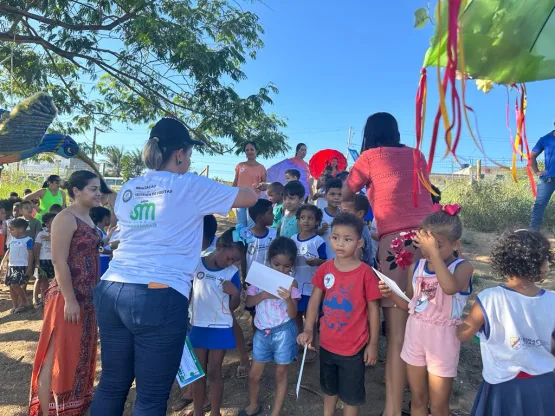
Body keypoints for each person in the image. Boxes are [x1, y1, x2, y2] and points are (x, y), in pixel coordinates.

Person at [90, 117, 257, 416]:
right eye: (190, 154)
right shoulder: (188, 185)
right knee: (151, 396)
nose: (190, 160)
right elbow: (249, 197)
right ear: (179, 153)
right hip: (157, 296)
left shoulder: (129, 187)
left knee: (112, 384)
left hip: (111, 288)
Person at [342, 112, 433, 416]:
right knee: (426, 325)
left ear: (370, 134)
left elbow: (346, 192)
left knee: (396, 334)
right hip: (429, 242)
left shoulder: (368, 157)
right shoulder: (417, 155)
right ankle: (421, 402)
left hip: (395, 246)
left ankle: (392, 409)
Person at [379, 207, 474, 416]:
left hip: (442, 343)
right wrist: (393, 295)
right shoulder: (417, 267)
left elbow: (449, 288)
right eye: (424, 246)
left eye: (437, 246)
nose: (428, 252)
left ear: (456, 245)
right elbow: (412, 305)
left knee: (439, 406)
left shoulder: (463, 267)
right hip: (415, 337)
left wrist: (434, 256)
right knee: (418, 399)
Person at [28, 171, 103, 416]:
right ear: (76, 191)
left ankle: (74, 406)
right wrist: (70, 299)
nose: (98, 193)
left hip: (88, 298)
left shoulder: (88, 217)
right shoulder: (65, 218)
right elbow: (59, 262)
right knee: (56, 354)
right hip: (67, 297)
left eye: (99, 188)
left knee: (78, 356)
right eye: (93, 188)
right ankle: (49, 412)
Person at [457, 230, 555, 415]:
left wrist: (453, 322)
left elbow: (463, 334)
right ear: (539, 264)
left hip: (503, 387)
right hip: (544, 387)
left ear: (503, 261)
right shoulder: (553, 301)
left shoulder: (489, 298)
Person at [298, 213, 381, 416]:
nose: (340, 244)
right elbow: (315, 302)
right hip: (327, 345)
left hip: (354, 349)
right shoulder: (324, 269)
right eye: (335, 238)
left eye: (348, 239)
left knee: (351, 397)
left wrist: (372, 344)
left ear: (360, 242)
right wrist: (309, 328)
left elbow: (373, 310)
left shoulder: (366, 273)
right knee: (328, 389)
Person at [188, 227, 244, 416]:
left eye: (235, 261)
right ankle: (197, 411)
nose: (231, 263)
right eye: (229, 258)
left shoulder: (232, 273)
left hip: (220, 326)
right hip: (198, 325)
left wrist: (235, 293)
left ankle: (215, 412)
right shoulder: (197, 264)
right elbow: (188, 291)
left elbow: (233, 305)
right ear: (219, 246)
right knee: (198, 372)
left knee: (214, 371)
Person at [241, 237, 300, 416]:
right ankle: (253, 405)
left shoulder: (291, 283)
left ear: (292, 266)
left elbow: (293, 314)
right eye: (276, 264)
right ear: (269, 260)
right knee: (254, 375)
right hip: (262, 332)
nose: (281, 270)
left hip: (284, 332)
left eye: (286, 266)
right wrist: (263, 295)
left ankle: (275, 412)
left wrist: (288, 298)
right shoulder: (259, 278)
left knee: (281, 373)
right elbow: (249, 302)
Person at [292, 204, 327, 362]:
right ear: (298, 220)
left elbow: (324, 261)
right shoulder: (293, 239)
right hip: (296, 285)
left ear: (317, 221)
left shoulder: (318, 241)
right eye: (303, 218)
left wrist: (317, 261)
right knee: (297, 315)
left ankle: (311, 345)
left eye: (310, 218)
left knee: (310, 317)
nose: (306, 221)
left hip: (312, 286)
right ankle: (299, 342)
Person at [0, 218, 33, 313]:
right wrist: (3, 261)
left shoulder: (28, 240)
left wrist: (29, 267)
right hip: (11, 265)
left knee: (15, 285)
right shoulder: (12, 239)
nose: (10, 232)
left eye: (12, 229)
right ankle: (15, 305)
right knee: (10, 286)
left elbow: (31, 254)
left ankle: (25, 301)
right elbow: (9, 251)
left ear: (21, 229)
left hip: (21, 266)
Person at [233, 141, 267, 227]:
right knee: (241, 226)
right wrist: (230, 196)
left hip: (253, 201)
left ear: (256, 151)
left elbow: (264, 186)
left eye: (252, 149)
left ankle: (251, 241)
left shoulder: (261, 168)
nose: (249, 152)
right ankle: (242, 241)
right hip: (240, 200)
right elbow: (235, 181)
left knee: (251, 226)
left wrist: (260, 186)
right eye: (247, 150)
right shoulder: (240, 166)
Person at [529, 128, 555, 230]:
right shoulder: (545, 139)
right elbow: (532, 156)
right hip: (548, 180)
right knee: (539, 206)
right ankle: (534, 234)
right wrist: (536, 171)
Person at [341, 193, 373, 266]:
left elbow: (354, 261)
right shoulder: (362, 228)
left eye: (346, 211)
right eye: (341, 211)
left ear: (360, 213)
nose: (342, 215)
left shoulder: (358, 232)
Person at [245, 199, 277, 272]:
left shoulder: (274, 234)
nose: (273, 215)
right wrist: (244, 277)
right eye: (270, 213)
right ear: (260, 217)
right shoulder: (246, 236)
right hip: (252, 279)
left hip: (270, 277)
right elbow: (243, 259)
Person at [33, 213, 56, 308]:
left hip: (54, 260)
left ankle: (49, 298)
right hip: (43, 260)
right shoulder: (41, 234)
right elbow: (37, 248)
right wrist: (37, 261)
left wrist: (50, 238)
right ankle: (37, 299)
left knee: (54, 280)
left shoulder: (59, 232)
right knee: (41, 280)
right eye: (52, 221)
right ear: (46, 224)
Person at [318, 178, 342, 260]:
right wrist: (319, 231)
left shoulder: (344, 216)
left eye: (340, 195)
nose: (336, 197)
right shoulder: (319, 214)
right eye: (332, 194)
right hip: (323, 260)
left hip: (340, 259)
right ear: (325, 196)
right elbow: (310, 233)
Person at [90, 206, 112, 277]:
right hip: (102, 260)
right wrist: (111, 252)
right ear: (106, 218)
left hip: (105, 259)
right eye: (110, 217)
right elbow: (98, 248)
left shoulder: (102, 230)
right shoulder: (98, 231)